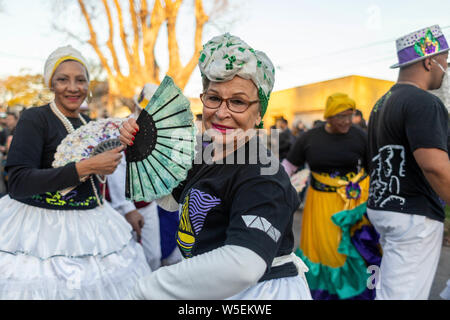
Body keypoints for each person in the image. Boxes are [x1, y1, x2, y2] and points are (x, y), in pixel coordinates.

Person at [120, 33, 312, 300]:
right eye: (213, 98)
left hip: (259, 293)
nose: (222, 112)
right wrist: (139, 145)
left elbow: (244, 265)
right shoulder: (205, 152)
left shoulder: (262, 172)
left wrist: (148, 287)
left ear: (259, 114)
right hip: (211, 288)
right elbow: (168, 198)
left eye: (238, 101)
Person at [0, 45, 150, 299]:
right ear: (51, 83)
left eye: (80, 80)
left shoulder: (89, 123)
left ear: (88, 85)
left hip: (95, 225)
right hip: (40, 231)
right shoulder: (35, 118)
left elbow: (112, 171)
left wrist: (128, 208)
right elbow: (18, 181)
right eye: (63, 79)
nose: (73, 87)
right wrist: (84, 168)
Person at [367, 25, 450, 300]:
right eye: (445, 60)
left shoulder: (382, 103)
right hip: (414, 215)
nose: (445, 68)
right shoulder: (423, 102)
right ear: (430, 61)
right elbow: (434, 165)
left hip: (384, 207)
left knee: (390, 289)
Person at [282, 93, 381, 300]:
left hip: (351, 204)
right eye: (340, 116)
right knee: (324, 249)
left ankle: (350, 289)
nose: (346, 121)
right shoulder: (309, 138)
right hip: (320, 203)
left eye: (349, 115)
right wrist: (274, 186)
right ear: (328, 116)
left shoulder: (360, 136)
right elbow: (289, 166)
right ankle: (323, 291)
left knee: (347, 249)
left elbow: (373, 169)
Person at [107, 83, 181, 271]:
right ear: (138, 108)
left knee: (153, 257)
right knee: (123, 258)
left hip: (148, 204)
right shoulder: (122, 130)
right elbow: (116, 170)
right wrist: (127, 208)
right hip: (122, 206)